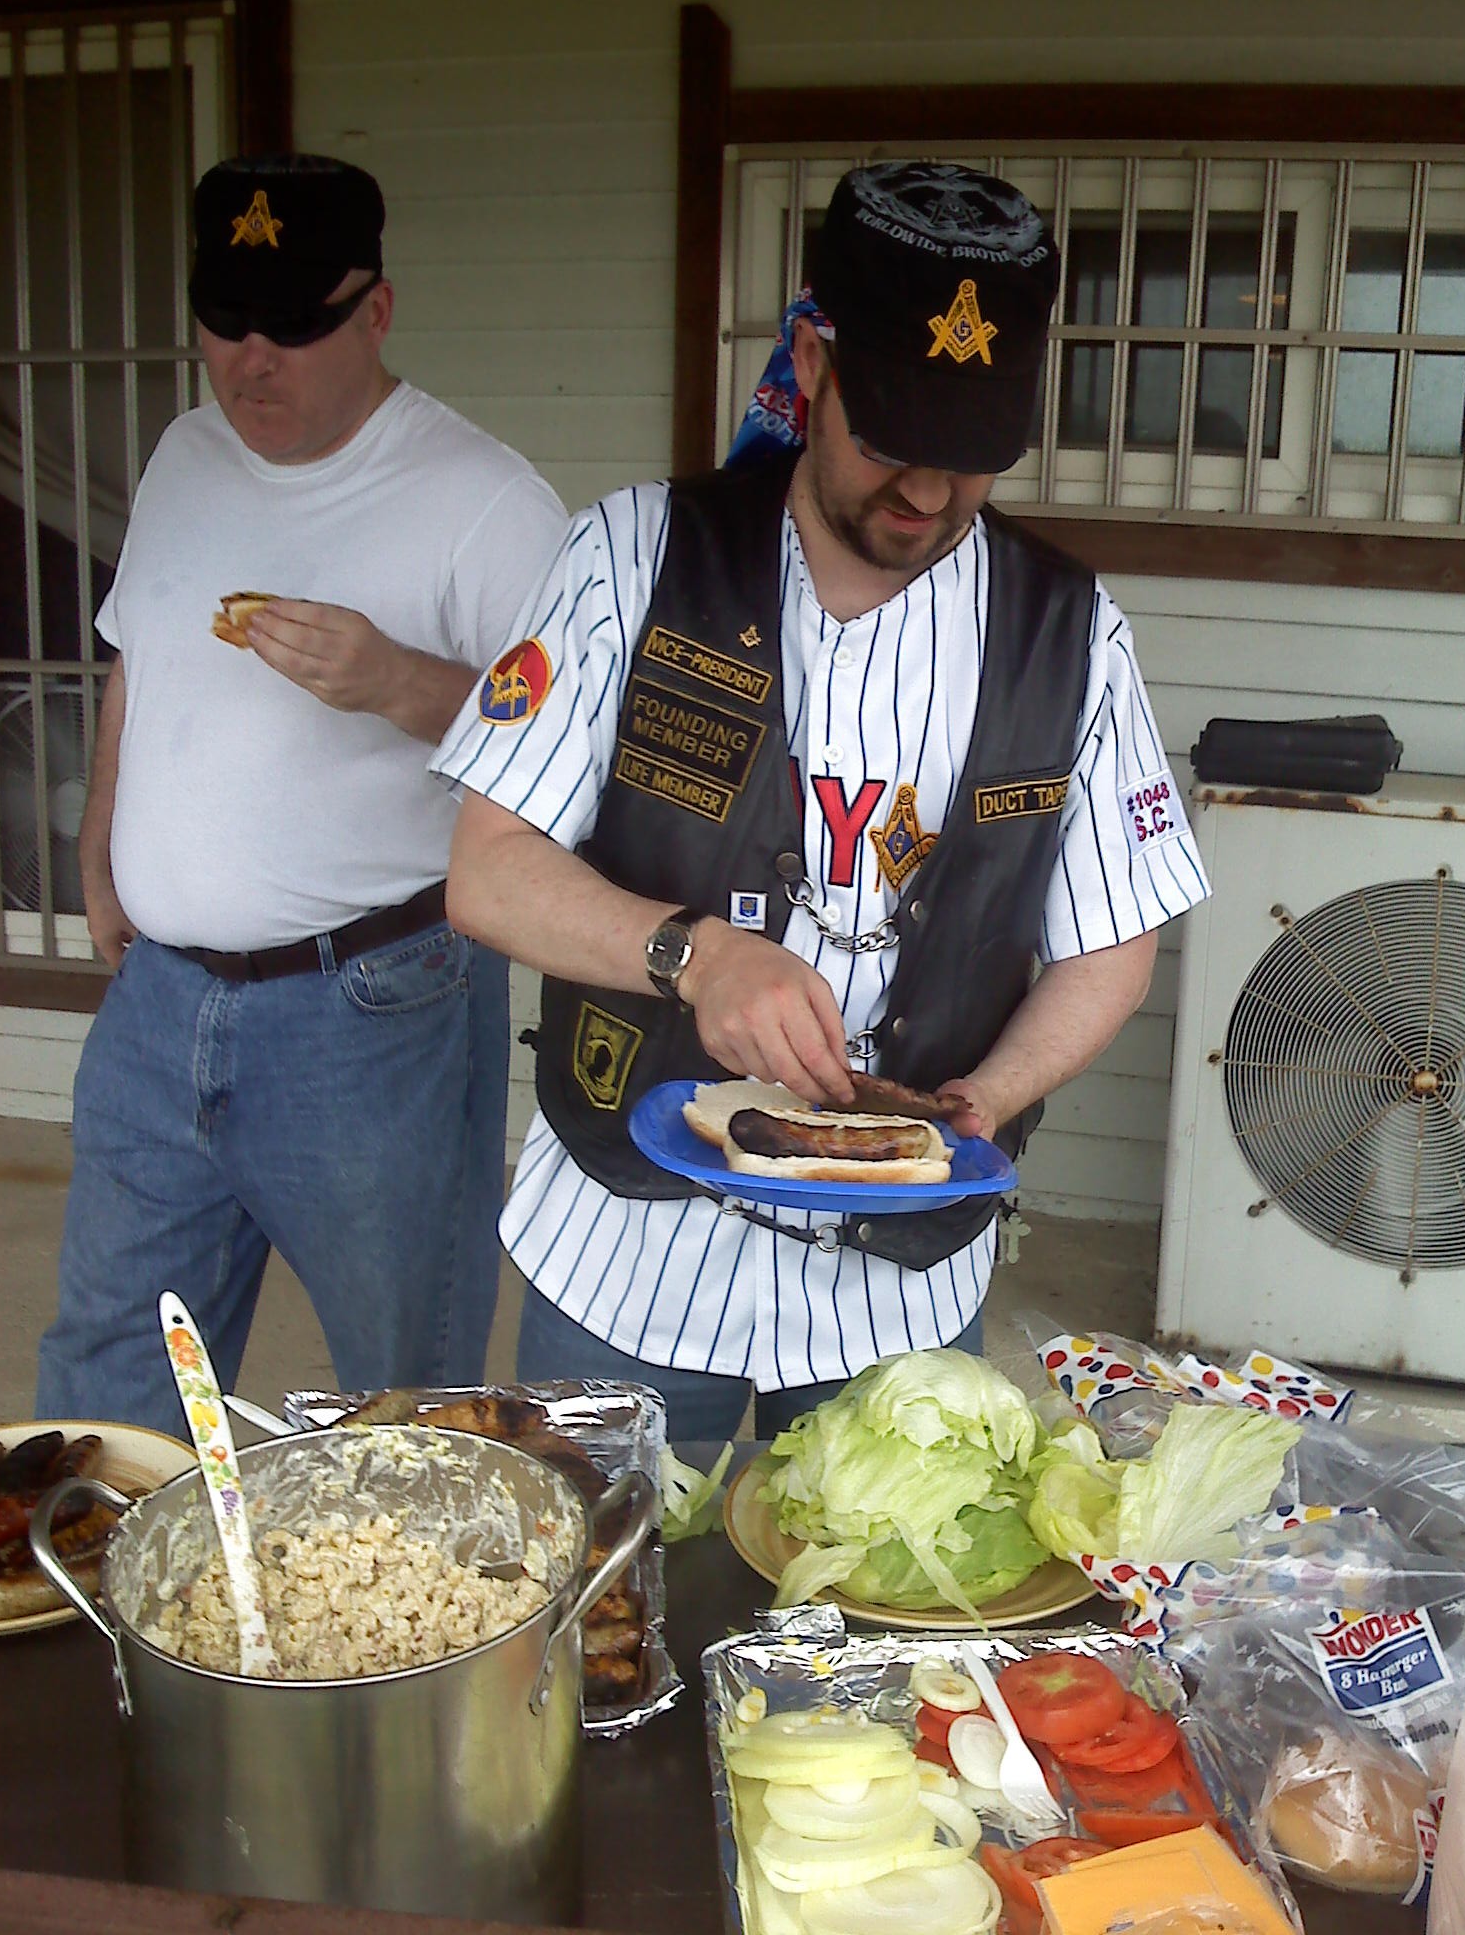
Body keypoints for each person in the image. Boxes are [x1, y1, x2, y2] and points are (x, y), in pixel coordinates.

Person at [436, 160, 1210, 1440]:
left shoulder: (1066, 633)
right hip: (627, 1253)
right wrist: (692, 956)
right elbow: (489, 867)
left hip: (899, 1291)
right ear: (811, 364)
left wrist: (987, 1099)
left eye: (969, 457)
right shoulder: (637, 556)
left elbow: (1113, 942)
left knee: (881, 1567)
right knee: (609, 1565)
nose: (927, 493)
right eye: (890, 439)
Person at [36, 154, 569, 1438]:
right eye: (225, 320)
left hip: (370, 1006)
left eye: (293, 323)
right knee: (111, 1374)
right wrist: (103, 849)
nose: (251, 359)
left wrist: (397, 680)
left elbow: (565, 747)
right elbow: (138, 656)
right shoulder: (185, 452)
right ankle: (107, 1576)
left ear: (375, 311)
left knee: (402, 1389)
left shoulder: (487, 500)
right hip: (159, 999)